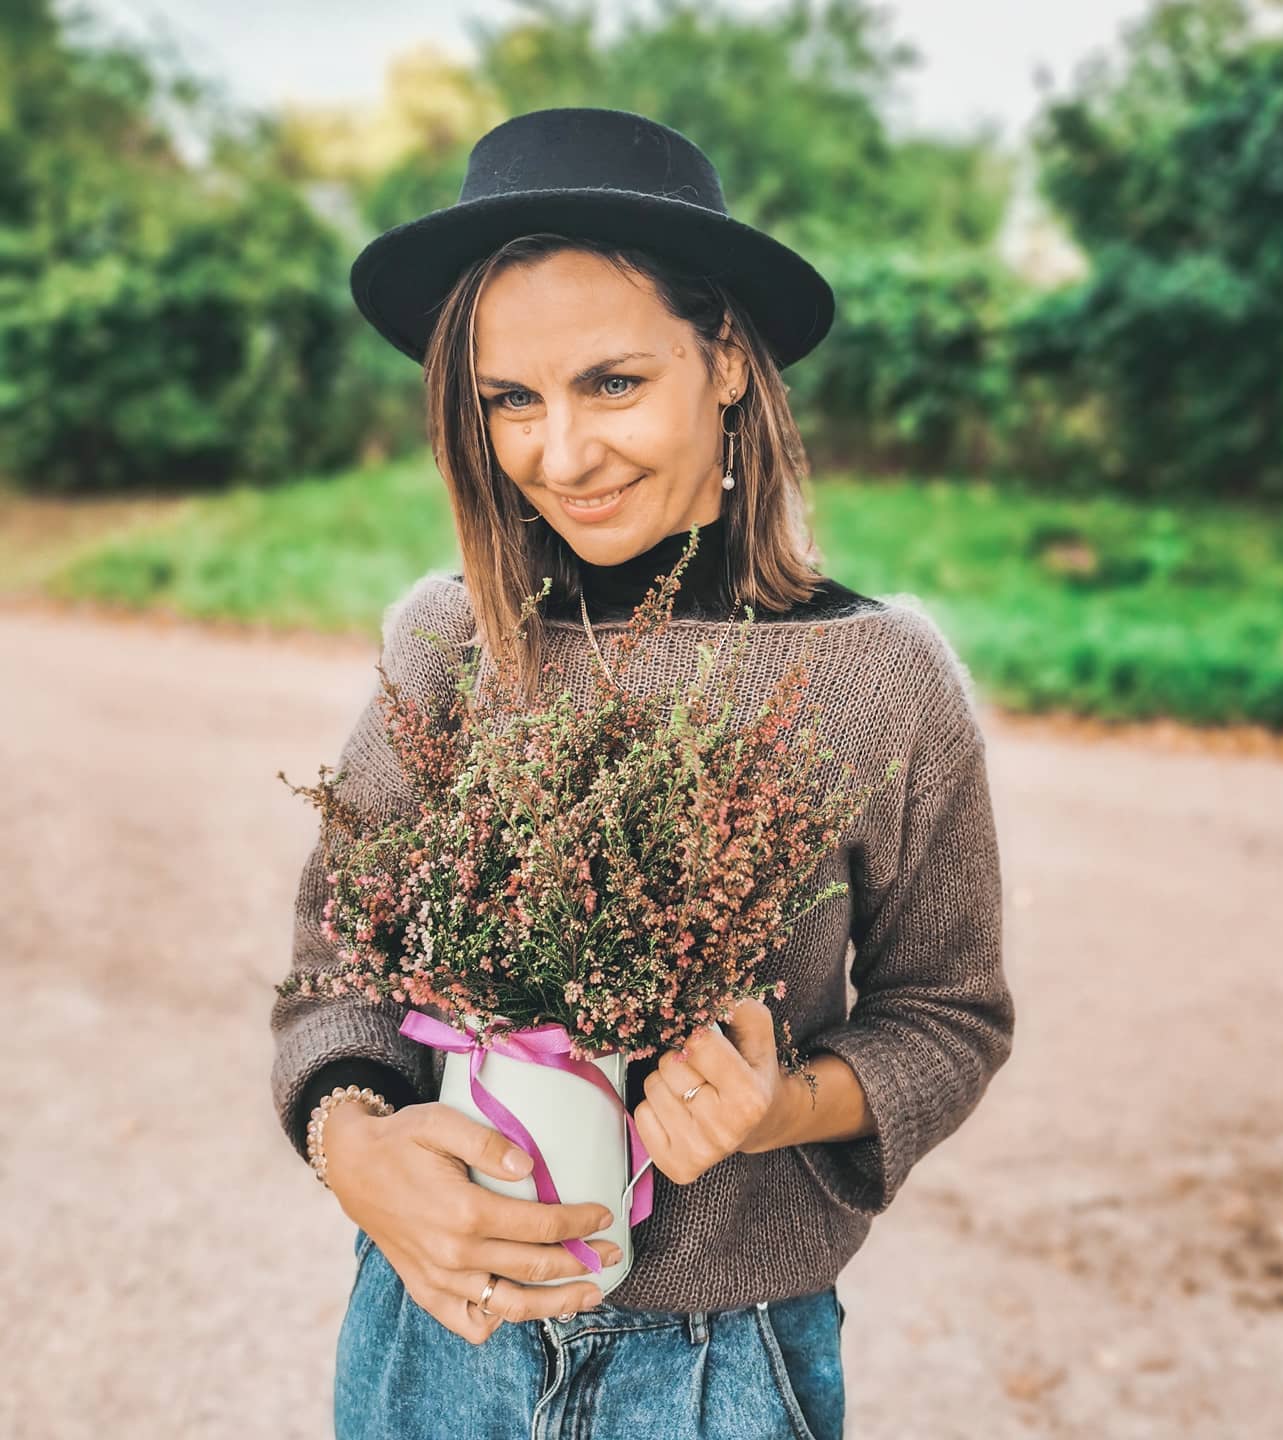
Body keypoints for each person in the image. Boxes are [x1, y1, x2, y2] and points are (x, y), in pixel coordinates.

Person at [270, 107, 1016, 1440]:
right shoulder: (450, 642)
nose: (560, 454)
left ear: (726, 357)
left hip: (720, 1373)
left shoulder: (880, 676)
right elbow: (339, 962)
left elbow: (947, 1013)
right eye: (512, 398)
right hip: (434, 1340)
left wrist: (782, 1104)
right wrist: (358, 1149)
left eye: (613, 382)